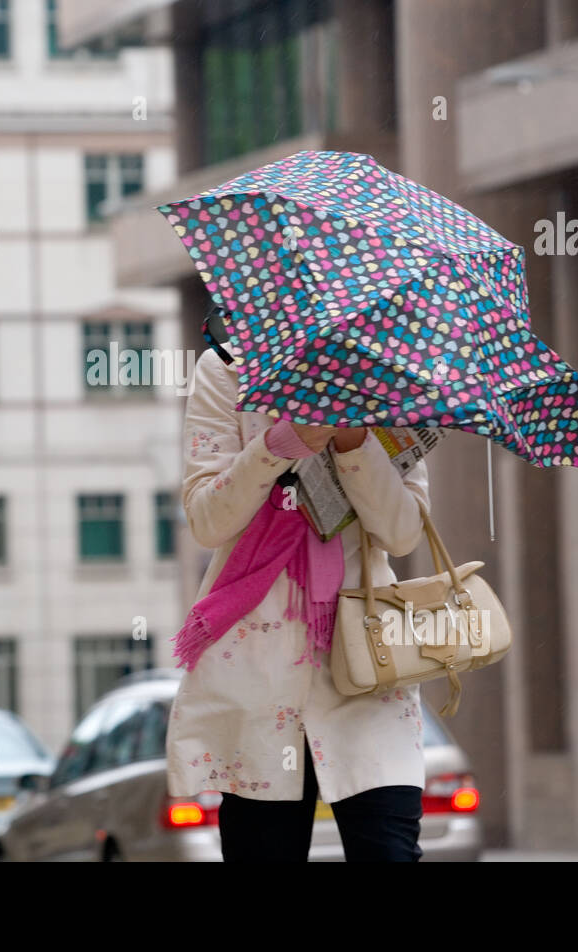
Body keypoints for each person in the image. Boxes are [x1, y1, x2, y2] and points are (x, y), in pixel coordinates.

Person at [166, 330, 431, 863]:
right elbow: (207, 520)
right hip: (257, 682)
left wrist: (355, 442)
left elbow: (402, 535)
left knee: (390, 853)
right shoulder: (227, 370)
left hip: (367, 672)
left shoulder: (390, 376)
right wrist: (279, 445)